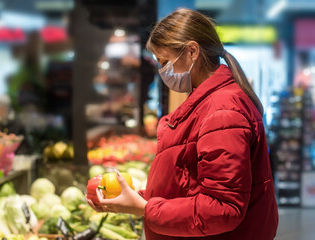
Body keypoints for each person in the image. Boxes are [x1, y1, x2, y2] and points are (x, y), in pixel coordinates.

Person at [85, 8, 279, 240]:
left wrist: (145, 209)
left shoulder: (222, 111)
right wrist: (138, 199)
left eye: (165, 61)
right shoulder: (209, 102)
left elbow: (222, 209)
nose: (162, 71)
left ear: (192, 51)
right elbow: (190, 184)